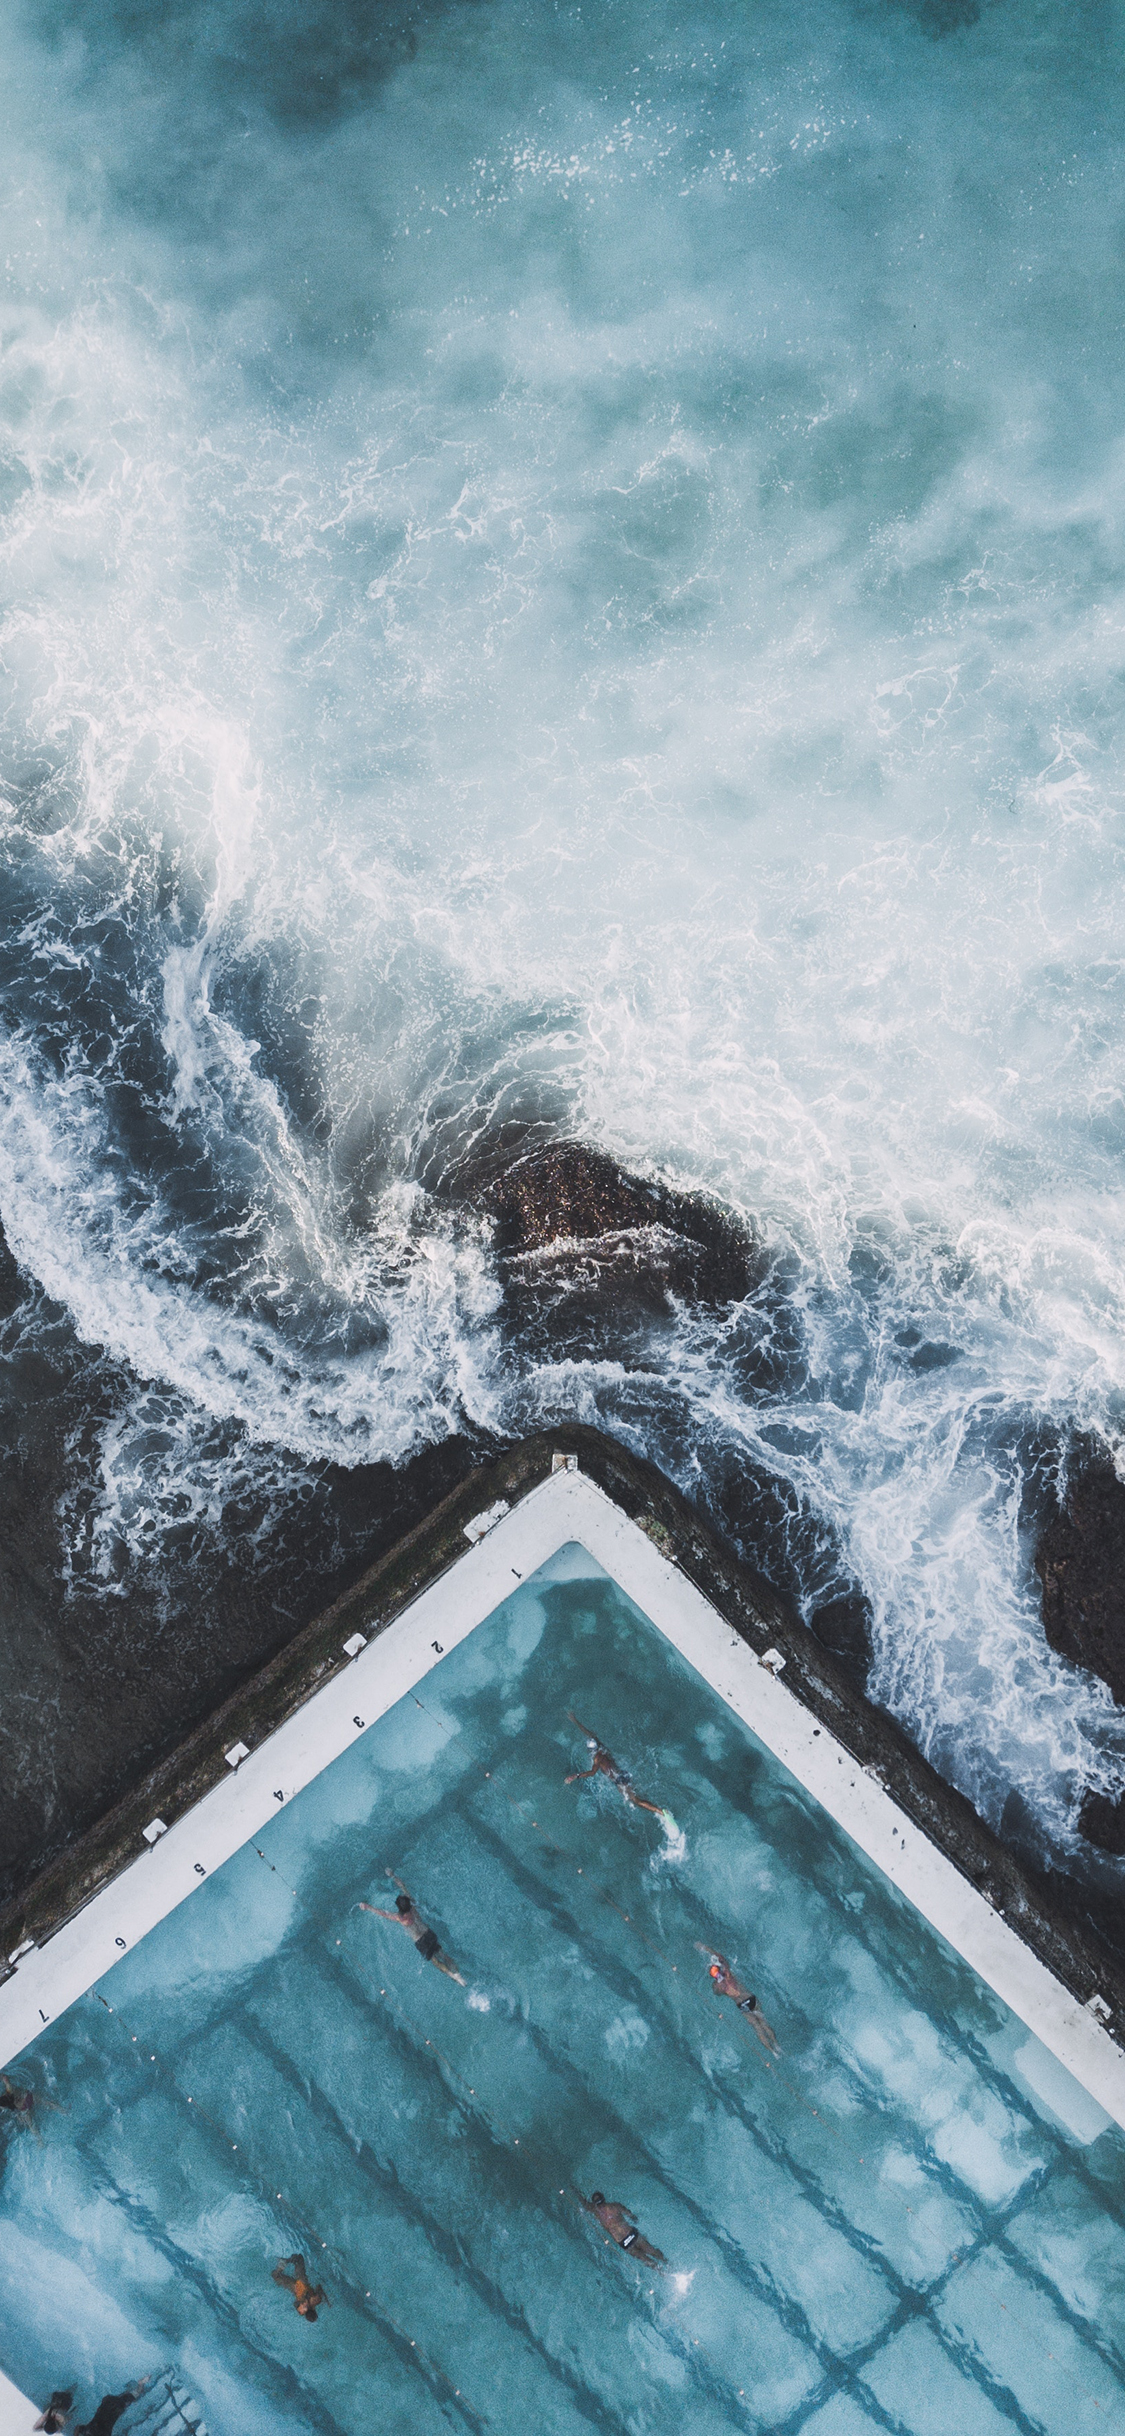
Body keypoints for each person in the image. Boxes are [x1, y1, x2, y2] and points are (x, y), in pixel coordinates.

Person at [360, 1877, 466, 1984]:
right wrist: (392, 1875)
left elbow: (384, 1913)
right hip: (428, 1933)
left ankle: (454, 1977)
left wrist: (368, 1907)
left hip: (420, 1942)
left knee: (436, 1962)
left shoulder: (400, 1918)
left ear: (399, 1908)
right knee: (443, 1955)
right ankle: (458, 1974)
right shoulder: (412, 1907)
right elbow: (403, 1887)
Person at [564, 1714, 666, 1819]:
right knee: (635, 1793)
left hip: (619, 1779)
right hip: (622, 1773)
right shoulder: (600, 1746)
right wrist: (575, 1720)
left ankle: (660, 1811)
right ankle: (654, 1806)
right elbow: (588, 1733)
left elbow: (592, 1772)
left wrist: (575, 1776)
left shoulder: (597, 1758)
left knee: (635, 1801)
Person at [697, 1944, 779, 2052]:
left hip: (742, 2005)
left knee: (757, 2028)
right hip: (750, 1999)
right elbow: (721, 1958)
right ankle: (776, 2046)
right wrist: (707, 1949)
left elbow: (717, 1993)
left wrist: (719, 1981)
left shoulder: (718, 1986)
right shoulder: (728, 1975)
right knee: (763, 2023)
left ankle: (772, 2051)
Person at [579, 2191, 666, 2267]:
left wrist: (574, 2190)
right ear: (604, 2199)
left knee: (645, 2260)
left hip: (624, 2242)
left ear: (595, 2204)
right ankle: (668, 2264)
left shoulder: (596, 2212)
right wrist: (634, 2219)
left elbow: (585, 2204)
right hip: (632, 2234)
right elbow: (631, 2215)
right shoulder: (615, 2206)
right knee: (651, 2250)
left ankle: (663, 2273)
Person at [272, 2254, 330, 2321]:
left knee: (299, 2258)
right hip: (297, 2286)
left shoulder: (317, 2300)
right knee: (275, 2275)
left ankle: (284, 2262)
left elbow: (319, 2287)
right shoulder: (302, 2311)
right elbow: (295, 2303)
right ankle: (282, 2264)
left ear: (315, 2312)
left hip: (300, 2284)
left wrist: (326, 2299)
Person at [74, 2389, 145, 2436]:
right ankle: (132, 2389)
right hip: (106, 2402)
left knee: (137, 2393)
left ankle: (141, 2384)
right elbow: (77, 2428)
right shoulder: (87, 2430)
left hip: (117, 2408)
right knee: (122, 2396)